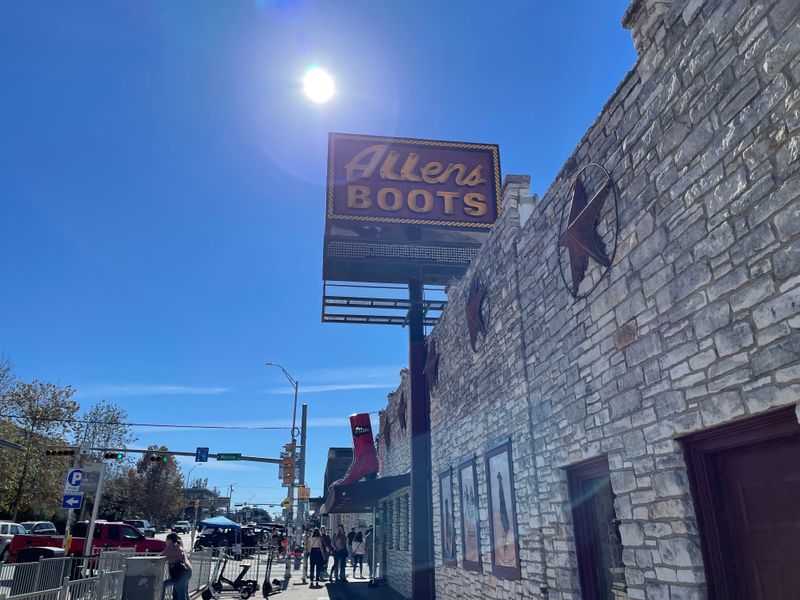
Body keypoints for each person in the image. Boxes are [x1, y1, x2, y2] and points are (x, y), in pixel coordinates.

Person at [162, 533, 192, 600]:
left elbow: (160, 557)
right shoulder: (179, 546)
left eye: (166, 539)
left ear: (170, 540)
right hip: (187, 571)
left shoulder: (171, 547)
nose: (165, 541)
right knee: (180, 593)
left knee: (180, 594)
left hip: (180, 573)